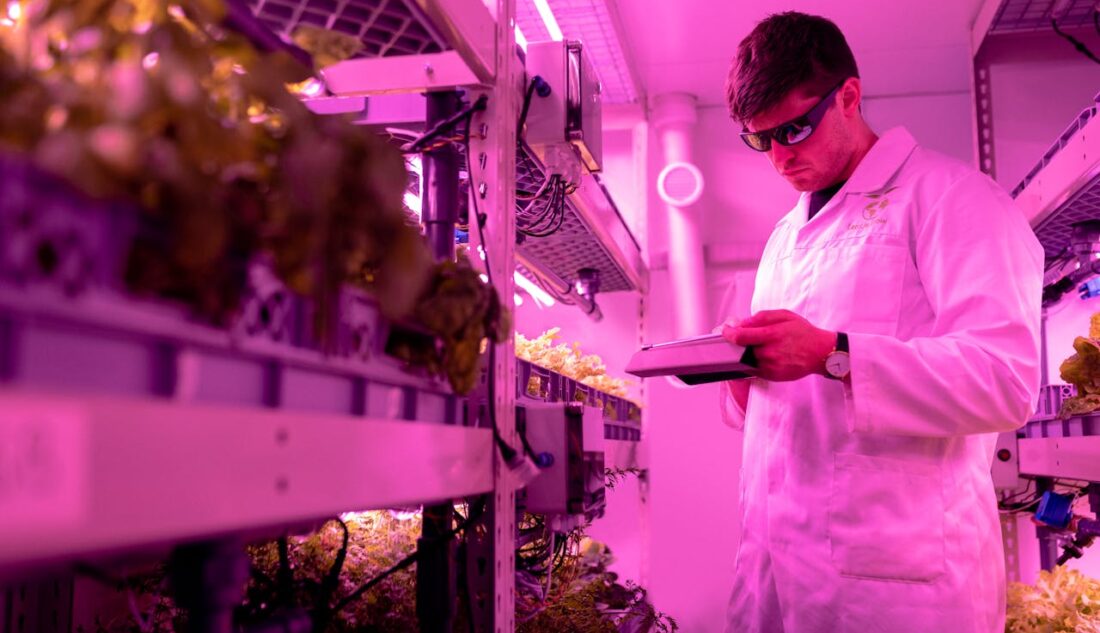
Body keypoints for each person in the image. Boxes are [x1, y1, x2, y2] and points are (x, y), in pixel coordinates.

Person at [718, 11, 1043, 633]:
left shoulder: (953, 200)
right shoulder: (784, 238)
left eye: (794, 129)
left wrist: (833, 354)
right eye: (762, 139)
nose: (780, 158)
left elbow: (1005, 380)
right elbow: (791, 415)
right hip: (775, 573)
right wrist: (742, 381)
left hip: (899, 589)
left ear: (848, 96)